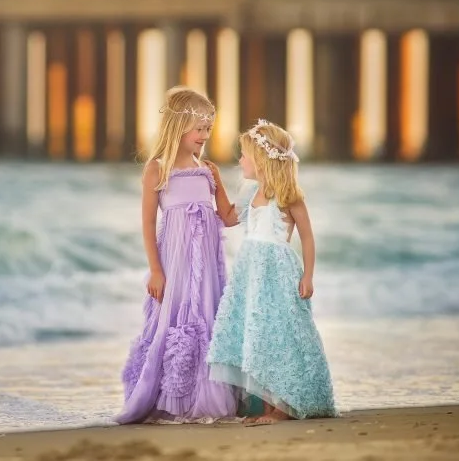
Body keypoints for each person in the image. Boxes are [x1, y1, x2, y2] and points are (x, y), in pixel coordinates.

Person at [114, 86, 240, 424]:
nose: (204, 135)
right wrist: (155, 270)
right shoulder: (157, 169)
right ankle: (171, 399)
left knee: (207, 317)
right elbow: (147, 222)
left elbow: (228, 216)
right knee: (177, 320)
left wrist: (264, 195)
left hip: (209, 267)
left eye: (208, 129)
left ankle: (206, 395)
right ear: (178, 127)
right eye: (199, 128)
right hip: (176, 264)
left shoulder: (210, 170)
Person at [206, 118, 337, 425]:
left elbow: (307, 236)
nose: (239, 160)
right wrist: (214, 182)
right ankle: (265, 407)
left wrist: (308, 275)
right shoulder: (251, 194)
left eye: (244, 155)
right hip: (250, 274)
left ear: (261, 160)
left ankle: (283, 408)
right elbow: (227, 217)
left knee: (278, 333)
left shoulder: (289, 195)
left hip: (277, 272)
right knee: (256, 336)